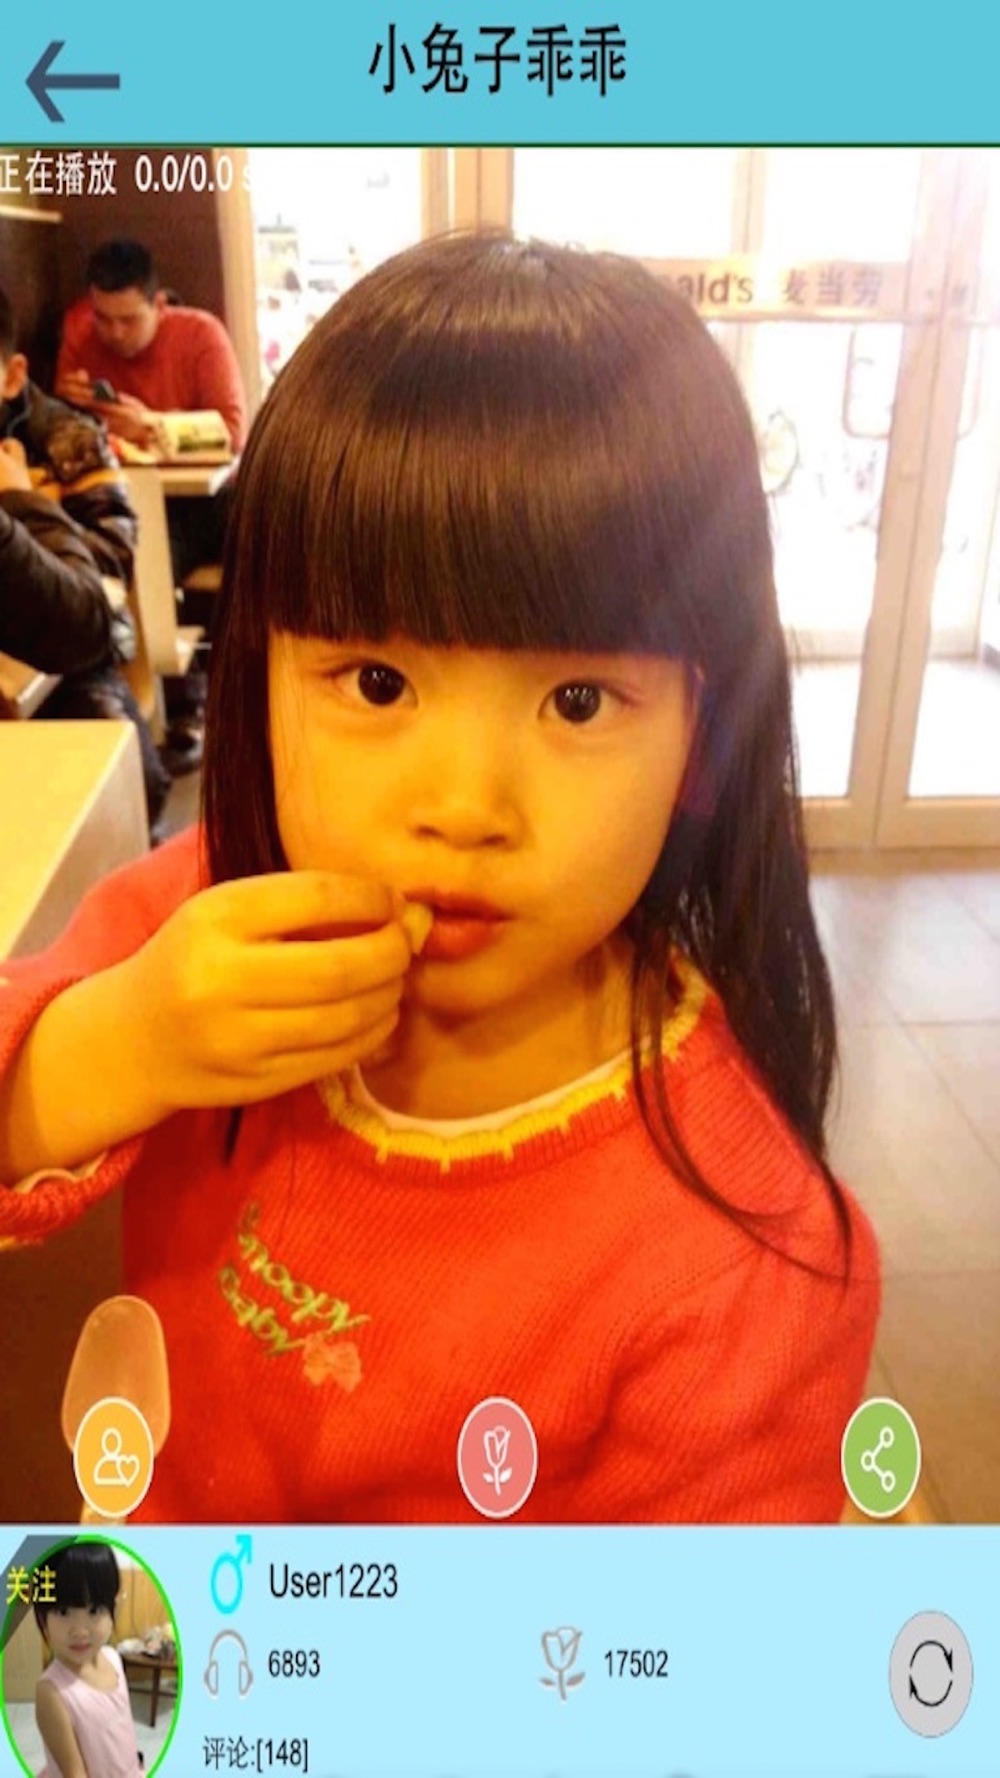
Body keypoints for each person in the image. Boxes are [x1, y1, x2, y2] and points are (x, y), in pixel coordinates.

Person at [0, 234, 880, 1525]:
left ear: (705, 728)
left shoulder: (744, 1261)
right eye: (377, 682)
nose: (464, 807)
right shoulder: (211, 912)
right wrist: (120, 1042)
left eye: (578, 700)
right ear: (262, 672)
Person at [0, 287, 171, 835]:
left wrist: (21, 503)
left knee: (125, 790)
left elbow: (103, 582)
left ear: (12, 377)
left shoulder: (68, 437)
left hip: (68, 667)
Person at [55, 238, 247, 455]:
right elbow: (60, 437)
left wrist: (151, 424)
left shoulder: (202, 334)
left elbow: (233, 433)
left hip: (195, 475)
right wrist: (62, 407)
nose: (116, 333)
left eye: (129, 320)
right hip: (114, 472)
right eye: (102, 318)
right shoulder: (80, 336)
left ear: (159, 305)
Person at [33, 1541, 143, 1778]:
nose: (80, 1631)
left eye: (94, 1610)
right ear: (42, 1617)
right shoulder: (51, 1692)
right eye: (63, 1611)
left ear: (114, 1608)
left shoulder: (113, 1658)